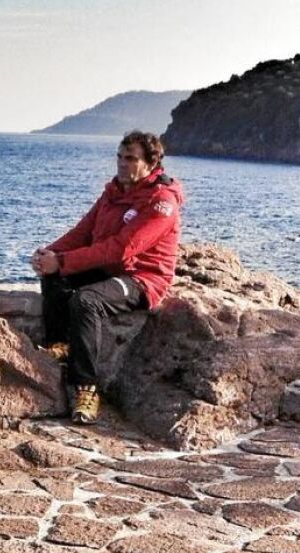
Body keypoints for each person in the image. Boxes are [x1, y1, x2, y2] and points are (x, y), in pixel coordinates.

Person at [30, 130, 183, 424]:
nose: (122, 163)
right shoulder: (114, 192)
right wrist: (49, 253)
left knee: (86, 300)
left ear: (151, 164)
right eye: (120, 157)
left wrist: (62, 262)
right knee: (55, 277)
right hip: (111, 270)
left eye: (131, 159)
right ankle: (61, 345)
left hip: (142, 278)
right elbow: (83, 232)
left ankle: (86, 388)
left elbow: (122, 248)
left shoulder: (161, 202)